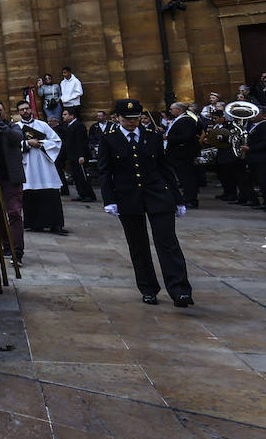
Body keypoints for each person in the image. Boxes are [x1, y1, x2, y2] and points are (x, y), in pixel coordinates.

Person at [98, 99, 193, 307]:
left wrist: (178, 199)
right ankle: (148, 288)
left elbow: (164, 168)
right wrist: (109, 199)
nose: (132, 122)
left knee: (167, 242)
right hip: (127, 197)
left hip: (157, 194)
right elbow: (105, 172)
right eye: (127, 119)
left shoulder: (152, 136)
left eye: (135, 118)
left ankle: (180, 290)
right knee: (138, 245)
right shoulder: (109, 139)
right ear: (117, 118)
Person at [17, 101, 66, 234]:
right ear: (18, 112)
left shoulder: (42, 125)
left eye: (27, 108)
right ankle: (35, 224)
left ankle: (55, 224)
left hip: (45, 165)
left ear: (31, 109)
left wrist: (41, 143)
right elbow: (13, 146)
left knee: (50, 194)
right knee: (30, 193)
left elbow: (56, 141)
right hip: (28, 166)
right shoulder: (16, 127)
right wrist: (28, 143)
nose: (25, 111)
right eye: (22, 109)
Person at [0, 101, 26, 262]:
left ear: (4, 112)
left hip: (11, 178)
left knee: (14, 212)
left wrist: (0, 125)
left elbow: (17, 138)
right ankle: (7, 246)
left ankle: (17, 251)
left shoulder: (12, 126)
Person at [163, 101, 201, 209]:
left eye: (172, 109)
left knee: (187, 177)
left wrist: (168, 138)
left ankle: (191, 199)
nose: (170, 111)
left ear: (179, 110)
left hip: (183, 154)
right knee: (183, 178)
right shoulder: (178, 120)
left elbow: (187, 137)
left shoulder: (187, 120)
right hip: (177, 154)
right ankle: (186, 197)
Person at [59, 107, 96, 202]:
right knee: (76, 176)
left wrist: (81, 155)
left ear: (72, 116)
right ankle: (81, 194)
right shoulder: (68, 126)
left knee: (82, 176)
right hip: (72, 155)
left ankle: (88, 195)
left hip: (79, 156)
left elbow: (81, 142)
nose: (63, 116)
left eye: (65, 114)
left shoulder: (79, 125)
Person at [242, 105, 266, 211]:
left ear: (264, 116)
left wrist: (250, 148)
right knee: (256, 181)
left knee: (265, 182)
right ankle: (259, 201)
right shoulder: (252, 125)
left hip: (263, 159)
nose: (253, 115)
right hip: (254, 158)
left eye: (256, 113)